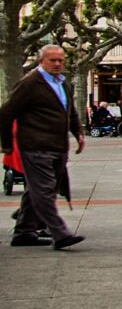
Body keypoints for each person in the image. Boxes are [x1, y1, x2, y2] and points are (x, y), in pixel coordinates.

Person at [0, 44, 86, 249]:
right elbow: (6, 113)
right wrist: (6, 144)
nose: (57, 64)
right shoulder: (30, 83)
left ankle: (24, 232)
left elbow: (70, 111)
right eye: (52, 60)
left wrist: (78, 133)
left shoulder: (63, 83)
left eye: (60, 60)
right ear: (41, 61)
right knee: (44, 191)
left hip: (58, 146)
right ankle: (60, 233)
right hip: (34, 145)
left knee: (38, 191)